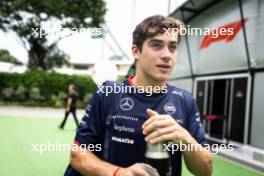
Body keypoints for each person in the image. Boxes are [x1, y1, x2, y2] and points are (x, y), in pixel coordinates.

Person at [64, 15, 212, 176]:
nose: (167, 55)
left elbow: (205, 171)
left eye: (172, 47)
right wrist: (118, 173)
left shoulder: (185, 101)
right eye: (156, 45)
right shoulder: (109, 94)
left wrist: (184, 138)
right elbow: (78, 154)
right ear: (136, 51)